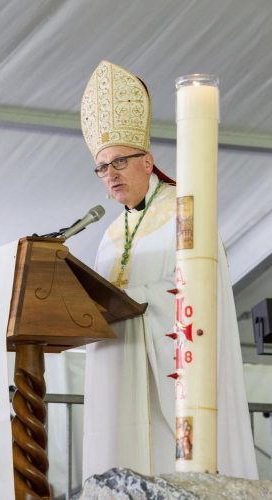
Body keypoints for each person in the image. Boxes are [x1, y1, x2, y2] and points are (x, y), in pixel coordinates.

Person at [80, 60, 258, 480]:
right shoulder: (109, 232)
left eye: (119, 162)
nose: (110, 176)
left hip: (171, 372)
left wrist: (140, 304)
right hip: (121, 369)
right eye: (102, 168)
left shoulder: (186, 210)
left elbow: (201, 288)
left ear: (147, 160)